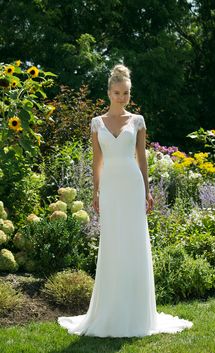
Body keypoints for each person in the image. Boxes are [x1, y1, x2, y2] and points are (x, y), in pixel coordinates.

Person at [57, 64, 193, 337]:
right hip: (110, 188)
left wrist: (147, 191)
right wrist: (95, 191)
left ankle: (137, 313)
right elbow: (97, 161)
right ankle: (110, 311)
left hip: (132, 187)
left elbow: (142, 158)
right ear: (109, 92)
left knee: (134, 245)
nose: (122, 97)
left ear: (130, 94)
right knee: (112, 246)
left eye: (126, 93)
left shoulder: (138, 121)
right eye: (117, 92)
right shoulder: (97, 122)